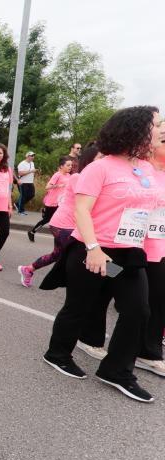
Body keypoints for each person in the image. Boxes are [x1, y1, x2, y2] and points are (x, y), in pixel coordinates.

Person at [41, 105, 161, 403]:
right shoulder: (100, 167)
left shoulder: (145, 169)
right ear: (136, 129)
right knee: (79, 306)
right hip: (95, 252)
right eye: (157, 125)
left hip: (129, 256)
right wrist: (93, 249)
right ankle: (57, 354)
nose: (160, 130)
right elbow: (82, 210)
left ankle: (117, 370)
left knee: (138, 310)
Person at [19, 150, 97, 288]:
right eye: (101, 157)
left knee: (57, 254)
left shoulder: (83, 178)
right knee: (83, 254)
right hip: (63, 225)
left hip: (72, 224)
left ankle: (28, 269)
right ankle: (113, 279)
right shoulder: (77, 178)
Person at [138, 120, 165, 377]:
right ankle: (86, 334)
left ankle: (148, 352)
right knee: (102, 289)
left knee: (158, 301)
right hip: (129, 247)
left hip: (160, 249)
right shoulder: (139, 169)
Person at [27, 157, 73, 241]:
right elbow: (47, 187)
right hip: (52, 202)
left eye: (71, 165)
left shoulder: (69, 175)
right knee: (46, 220)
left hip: (61, 203)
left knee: (61, 220)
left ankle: (62, 238)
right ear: (61, 166)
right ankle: (32, 232)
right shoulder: (57, 175)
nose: (70, 167)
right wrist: (59, 186)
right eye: (68, 165)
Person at [16, 151, 38, 215]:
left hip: (30, 182)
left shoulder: (32, 163)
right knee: (23, 196)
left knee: (31, 195)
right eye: (31, 156)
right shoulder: (22, 164)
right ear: (27, 156)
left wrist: (34, 172)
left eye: (33, 156)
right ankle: (20, 211)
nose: (32, 157)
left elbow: (32, 172)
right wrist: (31, 171)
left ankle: (17, 204)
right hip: (23, 182)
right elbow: (20, 173)